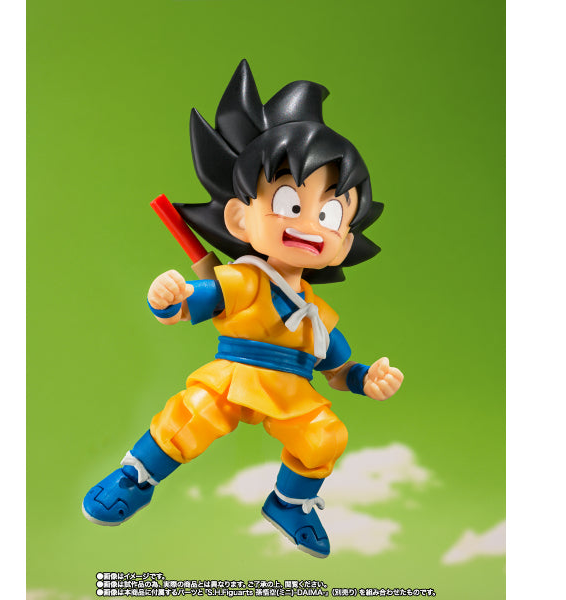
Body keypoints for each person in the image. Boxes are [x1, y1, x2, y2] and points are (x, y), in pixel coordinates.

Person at [82, 60, 403, 558]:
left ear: (344, 242)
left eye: (330, 213)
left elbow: (338, 371)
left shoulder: (317, 313)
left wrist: (367, 379)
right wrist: (168, 297)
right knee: (194, 414)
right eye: (291, 204)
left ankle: (290, 504)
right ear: (238, 217)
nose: (311, 225)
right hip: (236, 373)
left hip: (292, 389)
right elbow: (192, 302)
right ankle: (135, 476)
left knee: (325, 436)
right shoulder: (245, 280)